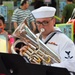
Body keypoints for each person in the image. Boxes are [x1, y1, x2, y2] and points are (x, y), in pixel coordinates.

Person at [17, 6, 75, 73]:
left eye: (45, 22)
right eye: (38, 22)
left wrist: (45, 66)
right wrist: (25, 57)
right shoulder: (36, 38)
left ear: (53, 21)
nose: (41, 26)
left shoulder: (65, 41)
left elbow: (72, 65)